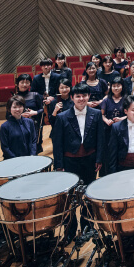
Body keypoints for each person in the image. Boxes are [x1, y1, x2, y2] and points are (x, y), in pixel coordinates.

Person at [52, 83, 105, 239]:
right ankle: (69, 231)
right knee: (68, 198)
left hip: (89, 160)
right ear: (73, 98)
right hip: (70, 162)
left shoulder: (96, 114)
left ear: (88, 96)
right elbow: (58, 144)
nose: (81, 99)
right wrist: (59, 165)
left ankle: (88, 226)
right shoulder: (62, 117)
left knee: (88, 195)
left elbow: (100, 139)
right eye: (78, 96)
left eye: (84, 95)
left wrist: (99, 158)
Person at [99, 76, 126, 175]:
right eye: (114, 86)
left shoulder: (127, 99)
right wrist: (106, 120)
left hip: (123, 129)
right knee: (109, 152)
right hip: (108, 130)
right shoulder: (106, 100)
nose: (116, 88)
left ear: (122, 86)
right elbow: (101, 114)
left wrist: (121, 119)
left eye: (118, 86)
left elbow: (131, 114)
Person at [14, 73, 45, 152]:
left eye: (27, 82)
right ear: (17, 84)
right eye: (22, 82)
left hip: (34, 126)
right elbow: (8, 115)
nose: (24, 84)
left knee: (34, 150)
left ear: (30, 84)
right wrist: (20, 115)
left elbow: (42, 109)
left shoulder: (35, 95)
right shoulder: (13, 98)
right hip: (19, 127)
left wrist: (34, 112)